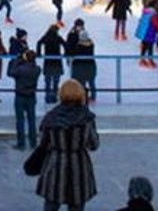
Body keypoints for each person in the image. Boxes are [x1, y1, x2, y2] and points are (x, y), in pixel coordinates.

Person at [35, 78, 99, 211]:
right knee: (76, 205)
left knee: (51, 205)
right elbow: (94, 144)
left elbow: (43, 143)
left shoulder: (51, 117)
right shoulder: (86, 118)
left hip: (55, 165)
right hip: (79, 167)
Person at [7, 48, 41, 151]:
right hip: (31, 96)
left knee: (20, 121)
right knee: (31, 120)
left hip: (20, 96)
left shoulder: (20, 69)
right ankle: (33, 142)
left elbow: (10, 73)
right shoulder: (37, 69)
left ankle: (21, 143)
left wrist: (16, 61)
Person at [37, 23, 66, 103]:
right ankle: (54, 96)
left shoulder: (46, 37)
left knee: (48, 81)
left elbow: (39, 43)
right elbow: (65, 44)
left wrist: (39, 53)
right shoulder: (58, 37)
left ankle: (47, 97)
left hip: (48, 62)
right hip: (57, 62)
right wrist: (66, 54)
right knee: (56, 81)